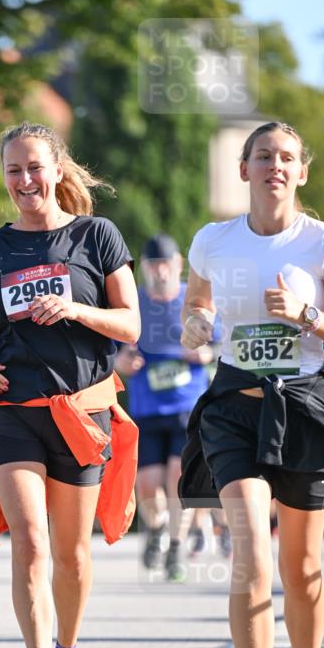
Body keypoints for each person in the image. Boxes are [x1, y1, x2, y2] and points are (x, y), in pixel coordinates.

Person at [0, 121, 140, 648]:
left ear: (57, 169)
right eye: (13, 170)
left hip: (81, 414)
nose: (25, 180)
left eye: (35, 167)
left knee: (71, 555)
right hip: (11, 412)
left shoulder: (96, 236)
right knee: (29, 541)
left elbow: (131, 325)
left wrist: (76, 309)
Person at [180, 121, 324, 648]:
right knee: (251, 552)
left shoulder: (321, 242)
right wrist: (196, 324)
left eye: (287, 157)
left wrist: (308, 317)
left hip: (304, 409)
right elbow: (200, 306)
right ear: (243, 169)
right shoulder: (214, 240)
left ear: (301, 171)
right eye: (264, 155)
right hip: (235, 408)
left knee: (300, 567)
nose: (275, 165)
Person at [114, 234, 225, 581]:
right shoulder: (135, 302)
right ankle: (158, 529)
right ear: (145, 270)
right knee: (147, 484)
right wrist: (122, 362)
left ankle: (176, 546)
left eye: (166, 264)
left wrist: (205, 354)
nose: (160, 271)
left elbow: (220, 344)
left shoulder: (191, 300)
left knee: (179, 478)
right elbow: (115, 351)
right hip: (147, 408)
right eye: (153, 265)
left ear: (178, 265)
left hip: (187, 407)